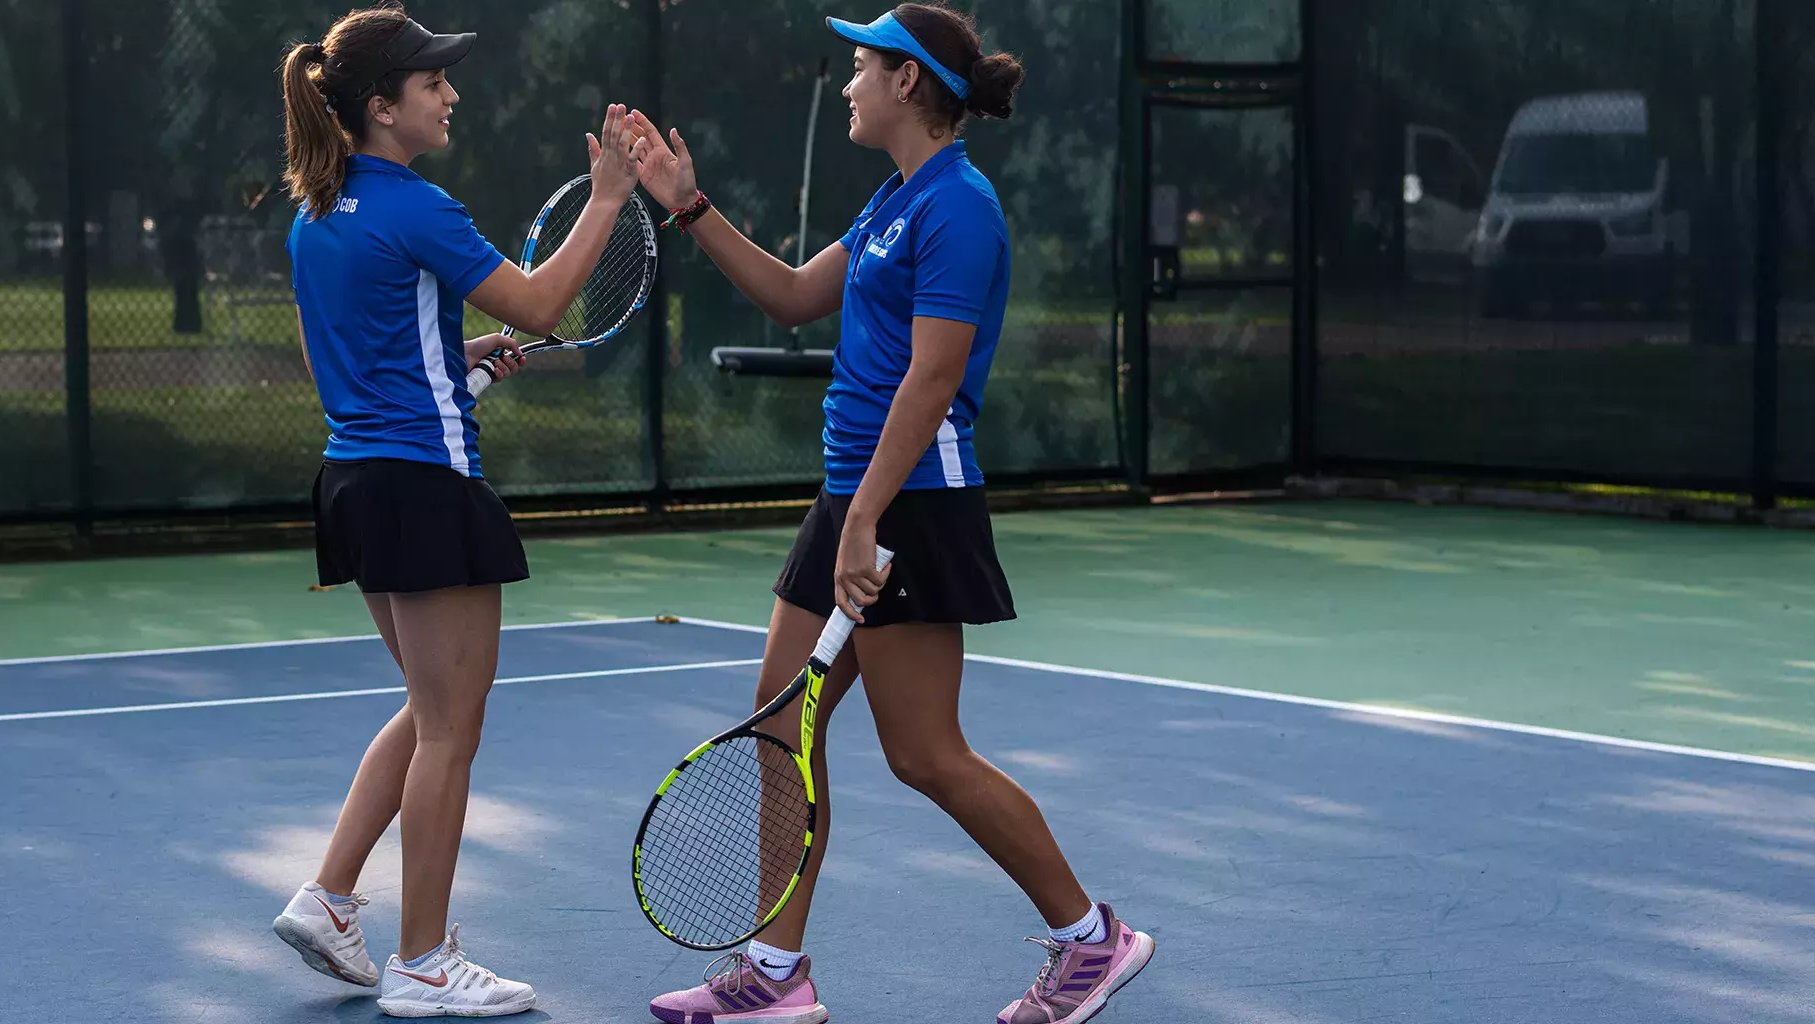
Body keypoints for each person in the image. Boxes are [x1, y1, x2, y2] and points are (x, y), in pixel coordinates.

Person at [629, 5, 1153, 1023]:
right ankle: (776, 978)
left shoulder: (960, 207)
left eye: (863, 67)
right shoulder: (893, 202)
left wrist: (868, 517)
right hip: (855, 497)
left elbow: (935, 376)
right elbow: (787, 295)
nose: (851, 83)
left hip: (911, 500)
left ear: (910, 82)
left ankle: (1093, 939)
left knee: (925, 752)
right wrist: (689, 207)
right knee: (784, 728)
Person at [268, 5, 639, 1017]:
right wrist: (606, 199)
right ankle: (423, 960)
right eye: (432, 82)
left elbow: (344, 363)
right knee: (451, 731)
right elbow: (540, 305)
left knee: (435, 714)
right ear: (381, 106)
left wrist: (453, 359)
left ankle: (332, 895)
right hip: (424, 484)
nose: (451, 94)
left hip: (355, 481)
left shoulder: (316, 214)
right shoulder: (415, 204)